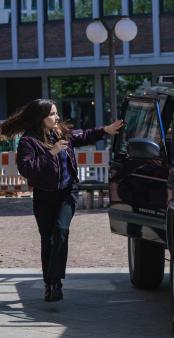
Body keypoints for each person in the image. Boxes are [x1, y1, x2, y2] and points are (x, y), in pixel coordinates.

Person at [0, 99, 123, 302]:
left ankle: (56, 280)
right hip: (44, 195)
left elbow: (83, 135)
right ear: (41, 117)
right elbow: (27, 169)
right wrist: (52, 152)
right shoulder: (28, 141)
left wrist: (105, 130)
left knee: (61, 230)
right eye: (52, 114)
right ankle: (51, 284)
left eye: (56, 113)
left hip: (68, 192)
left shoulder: (61, 132)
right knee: (47, 239)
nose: (56, 117)